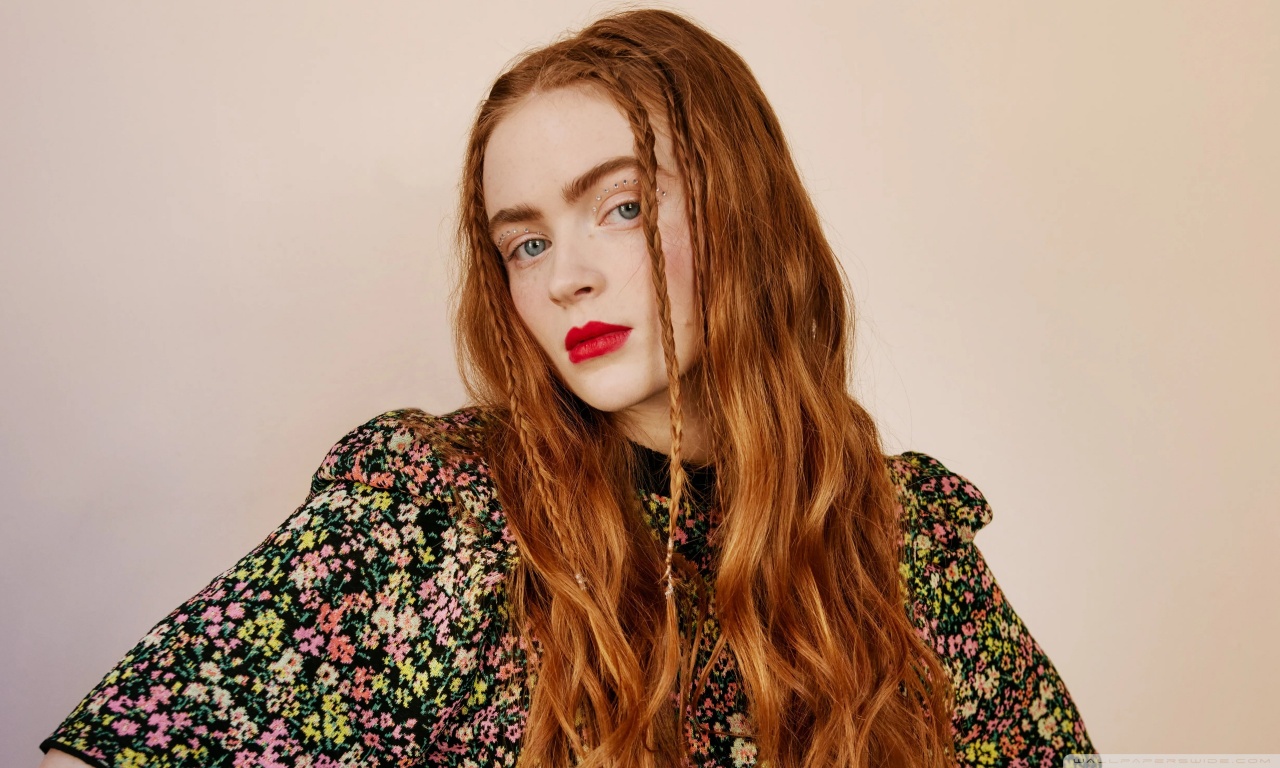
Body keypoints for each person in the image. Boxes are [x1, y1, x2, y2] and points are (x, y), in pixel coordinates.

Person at [38, 9, 1094, 768]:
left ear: (743, 209)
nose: (564, 277)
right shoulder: (437, 520)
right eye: (526, 242)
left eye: (620, 207)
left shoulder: (899, 543)